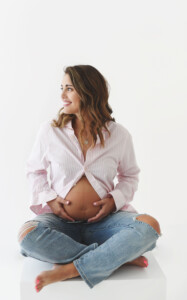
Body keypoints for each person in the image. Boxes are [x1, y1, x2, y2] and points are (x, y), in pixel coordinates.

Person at [17, 64, 162, 293]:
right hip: (61, 223)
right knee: (27, 235)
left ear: (88, 91)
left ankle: (70, 268)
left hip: (104, 223)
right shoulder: (50, 132)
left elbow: (130, 176)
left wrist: (115, 199)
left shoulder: (119, 135)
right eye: (62, 88)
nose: (62, 95)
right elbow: (35, 171)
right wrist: (51, 199)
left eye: (69, 89)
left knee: (149, 226)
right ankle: (116, 258)